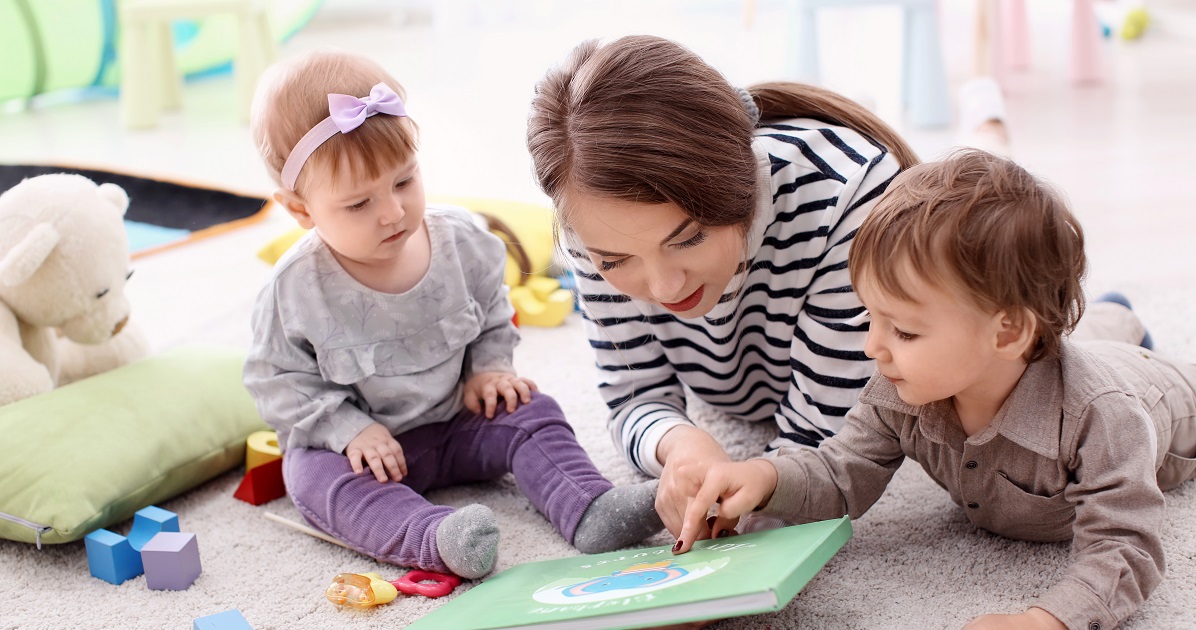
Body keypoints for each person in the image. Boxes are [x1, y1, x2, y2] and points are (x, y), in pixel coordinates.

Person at [673, 149, 1196, 630]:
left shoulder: (1103, 418)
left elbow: (1126, 543)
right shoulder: (899, 390)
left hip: (1159, 396)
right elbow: (841, 470)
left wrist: (1048, 620)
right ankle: (1115, 312)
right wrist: (763, 476)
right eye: (870, 318)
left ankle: (1118, 320)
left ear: (1007, 331)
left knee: (1109, 359)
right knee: (1092, 334)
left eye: (903, 330)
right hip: (1049, 353)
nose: (872, 347)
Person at [242, 49, 662, 580]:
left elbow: (491, 310)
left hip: (461, 418)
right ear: (300, 209)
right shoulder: (294, 290)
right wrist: (347, 430)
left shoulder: (463, 241)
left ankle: (589, 506)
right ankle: (437, 538)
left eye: (403, 181)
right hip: (364, 452)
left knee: (532, 409)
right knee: (310, 478)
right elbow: (276, 380)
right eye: (358, 204)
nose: (393, 212)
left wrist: (489, 370)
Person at [526, 35, 919, 537]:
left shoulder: (850, 199)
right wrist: (681, 445)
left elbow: (830, 445)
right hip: (747, 387)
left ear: (741, 183)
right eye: (617, 261)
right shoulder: (593, 217)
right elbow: (632, 395)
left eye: (688, 239)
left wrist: (750, 504)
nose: (665, 287)